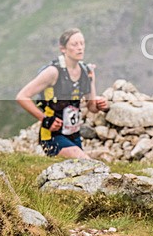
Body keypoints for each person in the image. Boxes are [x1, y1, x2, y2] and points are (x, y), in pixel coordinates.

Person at [16, 28, 109, 158]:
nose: (80, 48)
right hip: (52, 135)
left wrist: (100, 104)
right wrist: (45, 119)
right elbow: (22, 96)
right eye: (74, 44)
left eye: (82, 43)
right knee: (87, 163)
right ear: (63, 49)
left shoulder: (86, 71)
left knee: (82, 170)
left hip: (74, 135)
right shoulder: (53, 72)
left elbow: (91, 107)